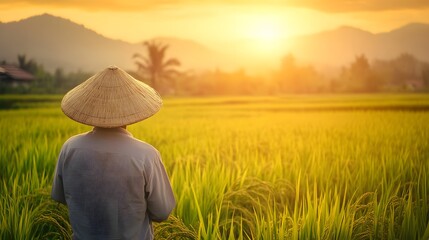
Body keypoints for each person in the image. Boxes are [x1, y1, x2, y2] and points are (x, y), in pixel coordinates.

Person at [51, 66, 175, 240]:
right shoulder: (145, 155)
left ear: (91, 106)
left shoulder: (70, 148)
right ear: (130, 108)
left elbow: (61, 197)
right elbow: (162, 212)